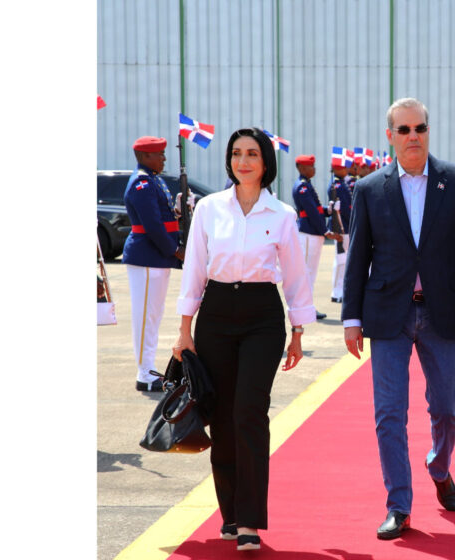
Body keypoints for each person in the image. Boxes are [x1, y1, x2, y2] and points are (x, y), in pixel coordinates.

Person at [342, 97, 455, 540]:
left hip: (442, 311)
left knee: (447, 408)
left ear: (428, 131)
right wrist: (351, 317)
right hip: (388, 313)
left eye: (419, 129)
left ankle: (439, 468)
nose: (412, 137)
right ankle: (399, 505)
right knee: (389, 413)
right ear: (389, 136)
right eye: (403, 130)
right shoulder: (369, 189)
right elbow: (357, 257)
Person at [173, 127, 316, 551]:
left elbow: (295, 277)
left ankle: (251, 520)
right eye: (236, 153)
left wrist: (298, 331)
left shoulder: (283, 215)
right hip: (215, 314)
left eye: (252, 153)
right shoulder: (209, 209)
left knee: (249, 412)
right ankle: (231, 515)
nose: (243, 161)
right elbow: (195, 268)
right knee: (222, 416)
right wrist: (184, 329)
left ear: (266, 162)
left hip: (261, 318)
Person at [122, 136, 184, 392]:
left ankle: (147, 368)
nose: (164, 158)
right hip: (148, 257)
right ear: (146, 157)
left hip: (155, 258)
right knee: (146, 318)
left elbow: (164, 217)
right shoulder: (142, 183)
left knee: (153, 316)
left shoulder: (151, 180)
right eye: (159, 154)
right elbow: (153, 226)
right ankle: (145, 374)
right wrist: (176, 250)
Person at [291, 154, 336, 320]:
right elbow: (311, 212)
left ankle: (306, 305)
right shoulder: (302, 187)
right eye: (311, 166)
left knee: (310, 272)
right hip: (309, 232)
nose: (314, 169)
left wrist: (327, 210)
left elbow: (316, 209)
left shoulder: (306, 185)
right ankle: (305, 306)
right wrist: (325, 230)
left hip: (311, 231)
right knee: (307, 272)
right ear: (302, 169)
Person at [327, 160, 352, 303]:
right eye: (343, 168)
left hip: (345, 227)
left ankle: (340, 290)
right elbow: (344, 210)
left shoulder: (340, 184)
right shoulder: (337, 185)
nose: (346, 170)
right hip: (342, 227)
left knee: (344, 260)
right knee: (341, 261)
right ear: (337, 169)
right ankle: (337, 291)